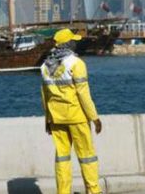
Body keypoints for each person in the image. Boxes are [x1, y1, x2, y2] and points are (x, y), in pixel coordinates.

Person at [41, 28, 103, 194]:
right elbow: (83, 93)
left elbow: (45, 95)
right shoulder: (76, 64)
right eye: (73, 41)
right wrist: (95, 117)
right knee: (87, 156)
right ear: (68, 44)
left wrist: (48, 119)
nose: (76, 43)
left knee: (62, 158)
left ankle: (63, 191)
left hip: (56, 118)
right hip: (77, 117)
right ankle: (93, 191)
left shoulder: (45, 66)